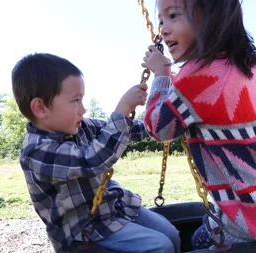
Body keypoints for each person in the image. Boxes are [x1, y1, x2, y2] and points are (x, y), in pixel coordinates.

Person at [142, 0, 256, 251]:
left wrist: (162, 75)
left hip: (254, 222)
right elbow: (207, 97)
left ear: (212, 17)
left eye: (173, 15)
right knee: (200, 231)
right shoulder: (251, 66)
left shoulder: (197, 74)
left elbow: (158, 128)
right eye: (162, 19)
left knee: (195, 240)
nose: (163, 29)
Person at [11, 53, 181, 253]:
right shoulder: (38, 150)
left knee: (171, 234)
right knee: (160, 246)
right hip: (85, 229)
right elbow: (93, 159)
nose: (83, 109)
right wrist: (124, 108)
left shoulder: (81, 126)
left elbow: (133, 129)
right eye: (75, 100)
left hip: (115, 208)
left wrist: (168, 113)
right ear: (40, 108)